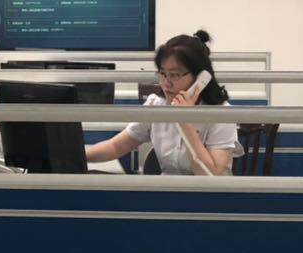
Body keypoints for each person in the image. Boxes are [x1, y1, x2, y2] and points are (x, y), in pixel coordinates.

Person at [85, 31, 241, 175]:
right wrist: (79, 156)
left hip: (209, 194)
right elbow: (116, 146)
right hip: (166, 189)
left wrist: (186, 123)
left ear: (200, 78)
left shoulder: (220, 114)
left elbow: (209, 175)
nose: (166, 83)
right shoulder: (156, 105)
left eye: (174, 75)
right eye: (162, 74)